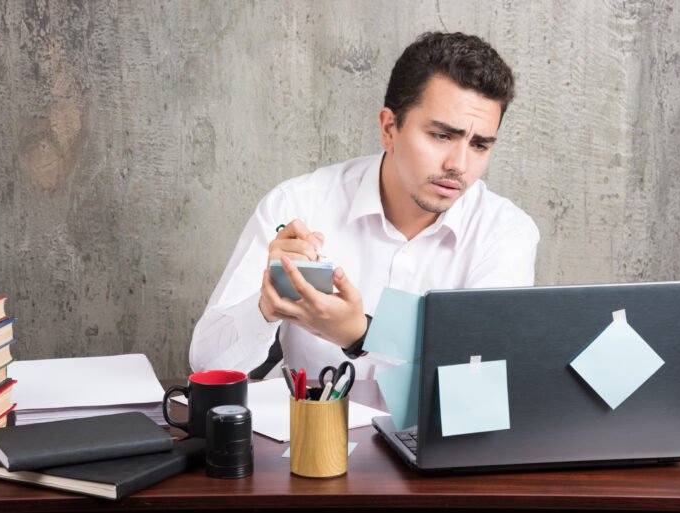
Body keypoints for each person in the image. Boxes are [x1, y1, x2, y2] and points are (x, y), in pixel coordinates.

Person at [189, 32, 539, 380]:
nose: (459, 164)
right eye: (441, 135)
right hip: (305, 435)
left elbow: (484, 374)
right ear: (390, 128)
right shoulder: (298, 204)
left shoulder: (505, 232)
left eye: (480, 145)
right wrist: (266, 308)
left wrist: (363, 334)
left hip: (433, 437)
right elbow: (206, 365)